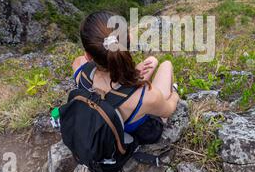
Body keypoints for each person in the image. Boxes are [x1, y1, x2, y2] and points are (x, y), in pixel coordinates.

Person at [71, 11, 180, 144]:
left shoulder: (80, 69)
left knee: (152, 61)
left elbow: (85, 63)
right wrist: (174, 94)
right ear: (128, 40)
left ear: (88, 56)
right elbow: (168, 111)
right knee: (166, 65)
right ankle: (173, 89)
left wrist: (133, 72)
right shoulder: (148, 97)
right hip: (136, 129)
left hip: (107, 115)